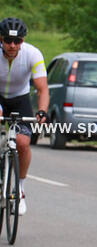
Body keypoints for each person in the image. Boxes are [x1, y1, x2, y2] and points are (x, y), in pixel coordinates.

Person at [0, 17, 49, 215]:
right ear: (1, 39)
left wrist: (42, 111)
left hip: (20, 99)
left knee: (22, 142)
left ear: (23, 40)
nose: (12, 45)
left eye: (17, 41)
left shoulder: (33, 54)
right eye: (7, 40)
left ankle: (19, 190)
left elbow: (42, 89)